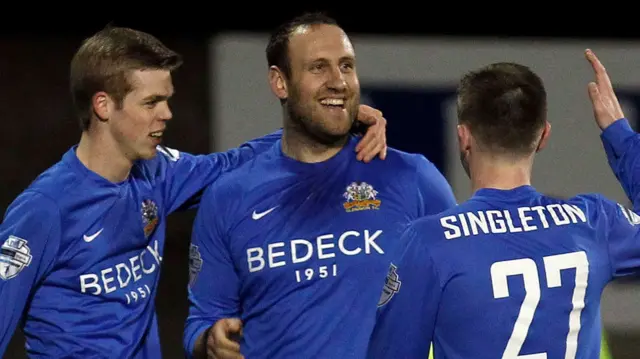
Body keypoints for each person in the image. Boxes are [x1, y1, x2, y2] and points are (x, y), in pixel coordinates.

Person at [0, 26, 388, 358]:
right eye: (152, 102)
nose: (166, 114)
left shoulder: (157, 174)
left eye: (166, 100)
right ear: (104, 106)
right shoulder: (44, 210)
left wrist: (336, 119)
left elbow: (237, 163)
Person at [183, 12, 458, 359]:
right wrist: (208, 340)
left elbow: (465, 292)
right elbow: (202, 318)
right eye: (318, 68)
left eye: (346, 66)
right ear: (279, 82)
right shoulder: (228, 198)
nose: (338, 82)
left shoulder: (412, 177)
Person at [366, 49, 640, 359]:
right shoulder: (592, 222)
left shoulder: (429, 242)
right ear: (544, 136)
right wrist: (621, 135)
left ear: (463, 137)